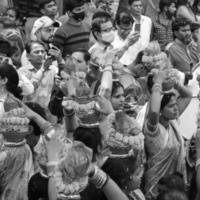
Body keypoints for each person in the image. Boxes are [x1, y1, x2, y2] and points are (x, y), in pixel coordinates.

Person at [143, 69, 192, 200]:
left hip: (173, 184)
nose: (176, 108)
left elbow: (188, 95)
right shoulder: (153, 129)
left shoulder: (171, 122)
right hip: (156, 187)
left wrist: (175, 83)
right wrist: (158, 83)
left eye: (176, 104)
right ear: (161, 110)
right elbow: (153, 111)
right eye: (171, 106)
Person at [0, 63, 34, 200]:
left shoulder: (5, 103)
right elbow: (29, 88)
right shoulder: (16, 100)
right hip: (19, 151)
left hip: (6, 152)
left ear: (3, 80)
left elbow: (30, 88)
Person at [119, 0, 152, 66]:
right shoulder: (125, 20)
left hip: (143, 59)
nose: (138, 8)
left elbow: (148, 39)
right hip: (127, 60)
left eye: (140, 6)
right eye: (135, 6)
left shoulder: (147, 20)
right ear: (129, 7)